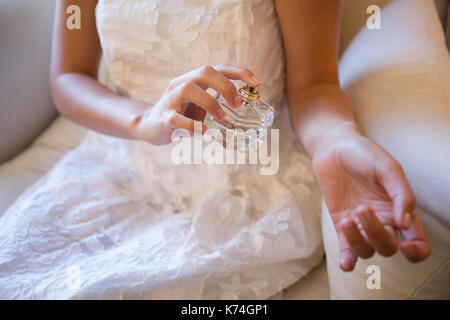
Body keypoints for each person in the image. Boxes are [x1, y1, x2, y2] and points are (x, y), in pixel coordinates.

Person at [0, 0, 432, 299]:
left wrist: (337, 140)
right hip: (119, 170)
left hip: (247, 195)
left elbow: (314, 84)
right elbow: (69, 77)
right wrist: (142, 120)